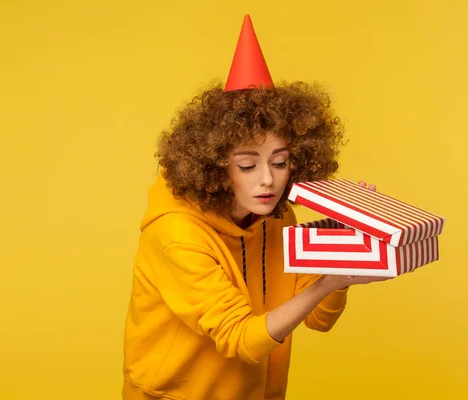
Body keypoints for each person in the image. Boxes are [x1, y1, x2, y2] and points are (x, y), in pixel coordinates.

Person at [122, 15, 390, 400]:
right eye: (248, 165)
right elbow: (240, 338)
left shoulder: (278, 217)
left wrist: (342, 264)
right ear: (214, 165)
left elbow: (318, 319)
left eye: (280, 162)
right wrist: (329, 282)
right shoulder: (175, 236)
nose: (268, 179)